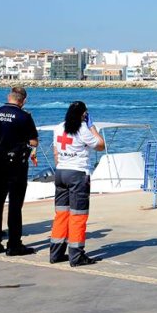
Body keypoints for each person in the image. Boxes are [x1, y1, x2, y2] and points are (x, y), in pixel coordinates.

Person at [0, 86, 39, 256]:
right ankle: (14, 244)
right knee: (15, 205)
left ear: (9, 97)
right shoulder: (24, 116)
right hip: (16, 165)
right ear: (23, 101)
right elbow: (33, 142)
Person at [49, 101, 105, 266]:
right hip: (77, 175)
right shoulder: (83, 130)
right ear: (83, 115)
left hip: (61, 173)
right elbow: (101, 145)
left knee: (61, 214)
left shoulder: (58, 127)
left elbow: (56, 151)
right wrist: (92, 126)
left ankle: (56, 253)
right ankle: (76, 256)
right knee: (78, 215)